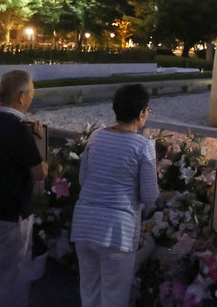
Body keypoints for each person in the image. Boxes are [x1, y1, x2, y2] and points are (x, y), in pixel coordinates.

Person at [70, 84, 159, 307]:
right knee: (114, 296)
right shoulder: (143, 146)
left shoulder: (96, 137)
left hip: (84, 224)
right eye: (147, 110)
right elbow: (150, 196)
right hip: (117, 230)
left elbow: (83, 180)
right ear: (141, 113)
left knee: (89, 291)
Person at [0, 70, 47, 307]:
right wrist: (38, 141)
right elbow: (40, 173)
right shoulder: (20, 129)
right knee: (12, 276)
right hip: (11, 212)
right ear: (21, 97)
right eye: (31, 93)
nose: (32, 98)